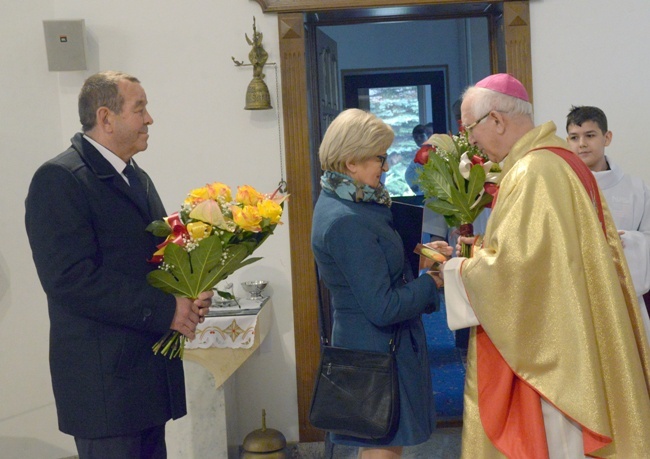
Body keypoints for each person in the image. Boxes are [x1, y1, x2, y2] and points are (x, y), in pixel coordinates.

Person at [442, 74, 650, 458]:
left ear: (497, 120)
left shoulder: (532, 171)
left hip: (553, 358)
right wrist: (485, 248)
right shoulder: (558, 159)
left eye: (471, 128)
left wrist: (456, 270)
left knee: (556, 442)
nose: (471, 141)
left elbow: (517, 272)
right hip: (571, 333)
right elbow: (545, 255)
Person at [25, 71, 213, 458]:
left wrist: (189, 290)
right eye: (140, 108)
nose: (149, 119)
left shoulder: (134, 176)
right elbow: (70, 280)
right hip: (104, 385)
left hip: (143, 376)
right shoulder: (60, 179)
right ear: (106, 118)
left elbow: (154, 256)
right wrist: (166, 309)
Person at [311, 108, 450, 459]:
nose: (385, 167)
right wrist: (433, 282)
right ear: (350, 161)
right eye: (379, 157)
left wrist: (421, 255)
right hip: (377, 352)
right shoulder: (346, 220)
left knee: (381, 445)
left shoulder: (350, 201)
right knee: (382, 448)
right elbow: (382, 306)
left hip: (377, 347)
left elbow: (376, 262)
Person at [566, 105, 650, 340]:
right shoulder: (562, 187)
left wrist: (626, 242)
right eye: (574, 137)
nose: (582, 144)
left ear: (607, 137)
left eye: (590, 136)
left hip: (625, 296)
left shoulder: (636, 189)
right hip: (578, 296)